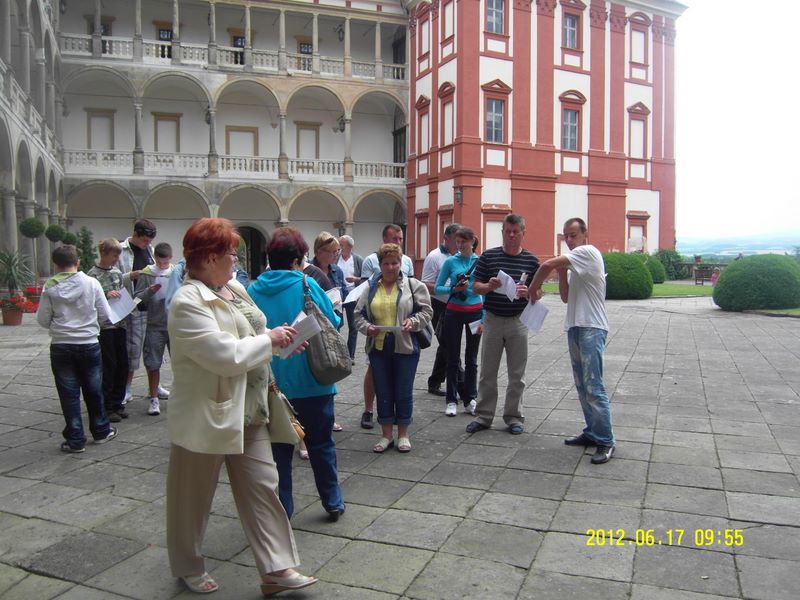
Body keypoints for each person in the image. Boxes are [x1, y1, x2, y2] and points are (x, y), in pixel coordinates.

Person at [166, 217, 316, 596]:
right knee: (192, 497)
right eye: (231, 253)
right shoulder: (187, 302)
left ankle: (277, 570)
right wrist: (269, 340)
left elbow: (252, 333)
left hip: (250, 408)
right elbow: (225, 355)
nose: (236, 260)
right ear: (210, 257)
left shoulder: (232, 288)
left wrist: (281, 343)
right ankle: (188, 565)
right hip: (207, 414)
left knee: (264, 486)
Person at [248, 227, 346, 522]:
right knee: (321, 444)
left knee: (278, 450)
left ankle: (283, 509)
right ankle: (332, 501)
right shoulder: (306, 283)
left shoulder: (252, 290)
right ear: (297, 259)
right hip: (312, 379)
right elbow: (332, 321)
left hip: (272, 383)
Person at [527, 217, 615, 464]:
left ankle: (606, 440)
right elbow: (565, 297)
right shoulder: (575, 264)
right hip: (575, 326)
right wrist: (562, 271)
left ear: (585, 234)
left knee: (594, 386)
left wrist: (533, 289)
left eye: (573, 235)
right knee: (582, 385)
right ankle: (593, 432)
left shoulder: (588, 252)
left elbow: (546, 264)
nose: (569, 240)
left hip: (592, 327)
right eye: (565, 236)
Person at [36, 245, 117, 452]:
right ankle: (101, 430)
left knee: (68, 394)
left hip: (61, 345)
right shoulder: (91, 283)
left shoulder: (49, 287)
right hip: (88, 343)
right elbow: (106, 315)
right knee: (94, 390)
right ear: (78, 262)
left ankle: (75, 439)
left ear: (55, 264)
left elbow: (43, 319)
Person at [354, 243, 433, 453]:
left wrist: (413, 322)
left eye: (395, 263)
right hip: (379, 346)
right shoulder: (371, 288)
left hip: (405, 345)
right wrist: (367, 327)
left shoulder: (414, 286)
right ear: (380, 265)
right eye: (386, 263)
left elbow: (427, 311)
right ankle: (386, 435)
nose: (390, 267)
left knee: (403, 391)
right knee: (383, 390)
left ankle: (403, 434)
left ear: (401, 264)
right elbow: (358, 314)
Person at [466, 214, 539, 435]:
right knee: (488, 371)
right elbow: (475, 287)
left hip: (518, 320)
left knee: (517, 373)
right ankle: (483, 415)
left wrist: (529, 292)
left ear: (523, 233)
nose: (511, 235)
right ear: (502, 232)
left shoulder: (531, 260)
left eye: (515, 232)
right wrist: (488, 286)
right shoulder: (489, 256)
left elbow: (539, 292)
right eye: (507, 231)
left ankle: (514, 416)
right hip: (493, 319)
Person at [358, 224, 414, 430]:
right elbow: (362, 299)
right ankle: (369, 410)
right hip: (378, 336)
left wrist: (412, 320)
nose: (398, 242)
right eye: (394, 238)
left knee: (402, 384)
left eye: (401, 239)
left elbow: (413, 298)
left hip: (402, 339)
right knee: (375, 374)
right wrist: (367, 326)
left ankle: (402, 423)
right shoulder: (370, 262)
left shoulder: (407, 263)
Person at [434, 227, 482, 417]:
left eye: (464, 242)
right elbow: (438, 287)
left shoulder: (480, 262)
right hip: (454, 312)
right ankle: (451, 400)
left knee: (472, 358)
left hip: (475, 312)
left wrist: (485, 316)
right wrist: (453, 289)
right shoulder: (450, 262)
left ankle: (470, 399)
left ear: (472, 241)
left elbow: (486, 291)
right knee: (453, 357)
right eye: (458, 242)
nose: (460, 245)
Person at [118, 219, 160, 405]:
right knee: (133, 349)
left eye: (149, 241)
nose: (147, 243)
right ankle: (126, 388)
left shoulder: (151, 250)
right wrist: (131, 275)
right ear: (135, 234)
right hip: (132, 306)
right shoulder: (121, 250)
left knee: (154, 348)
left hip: (152, 307)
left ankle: (155, 387)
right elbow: (112, 277)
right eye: (144, 240)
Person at [87, 238, 129, 423]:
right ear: (103, 253)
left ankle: (118, 403)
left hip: (120, 323)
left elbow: (122, 293)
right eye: (114, 256)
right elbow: (90, 300)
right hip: (104, 327)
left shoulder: (117, 273)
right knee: (109, 366)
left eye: (118, 256)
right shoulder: (92, 276)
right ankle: (107, 406)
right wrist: (105, 295)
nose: (116, 259)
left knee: (123, 365)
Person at [133, 242, 174, 416]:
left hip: (173, 324)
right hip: (154, 324)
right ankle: (154, 397)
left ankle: (180, 396)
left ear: (170, 258)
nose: (163, 265)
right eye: (160, 262)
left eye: (166, 262)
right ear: (155, 258)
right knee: (153, 363)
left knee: (179, 362)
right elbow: (136, 299)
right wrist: (148, 292)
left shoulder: (175, 273)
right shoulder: (147, 273)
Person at [422, 223, 463, 397]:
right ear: (446, 238)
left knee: (446, 344)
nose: (459, 243)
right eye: (456, 240)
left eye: (461, 240)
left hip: (456, 305)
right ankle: (463, 386)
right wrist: (449, 289)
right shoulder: (434, 256)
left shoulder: (460, 256)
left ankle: (434, 381)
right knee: (450, 346)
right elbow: (425, 284)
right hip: (439, 305)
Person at [337, 235, 363, 359]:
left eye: (341, 245)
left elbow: (365, 279)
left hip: (353, 295)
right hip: (339, 295)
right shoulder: (336, 259)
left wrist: (355, 279)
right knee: (336, 323)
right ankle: (337, 353)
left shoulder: (358, 260)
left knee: (353, 326)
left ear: (350, 246)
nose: (339, 248)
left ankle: (350, 355)